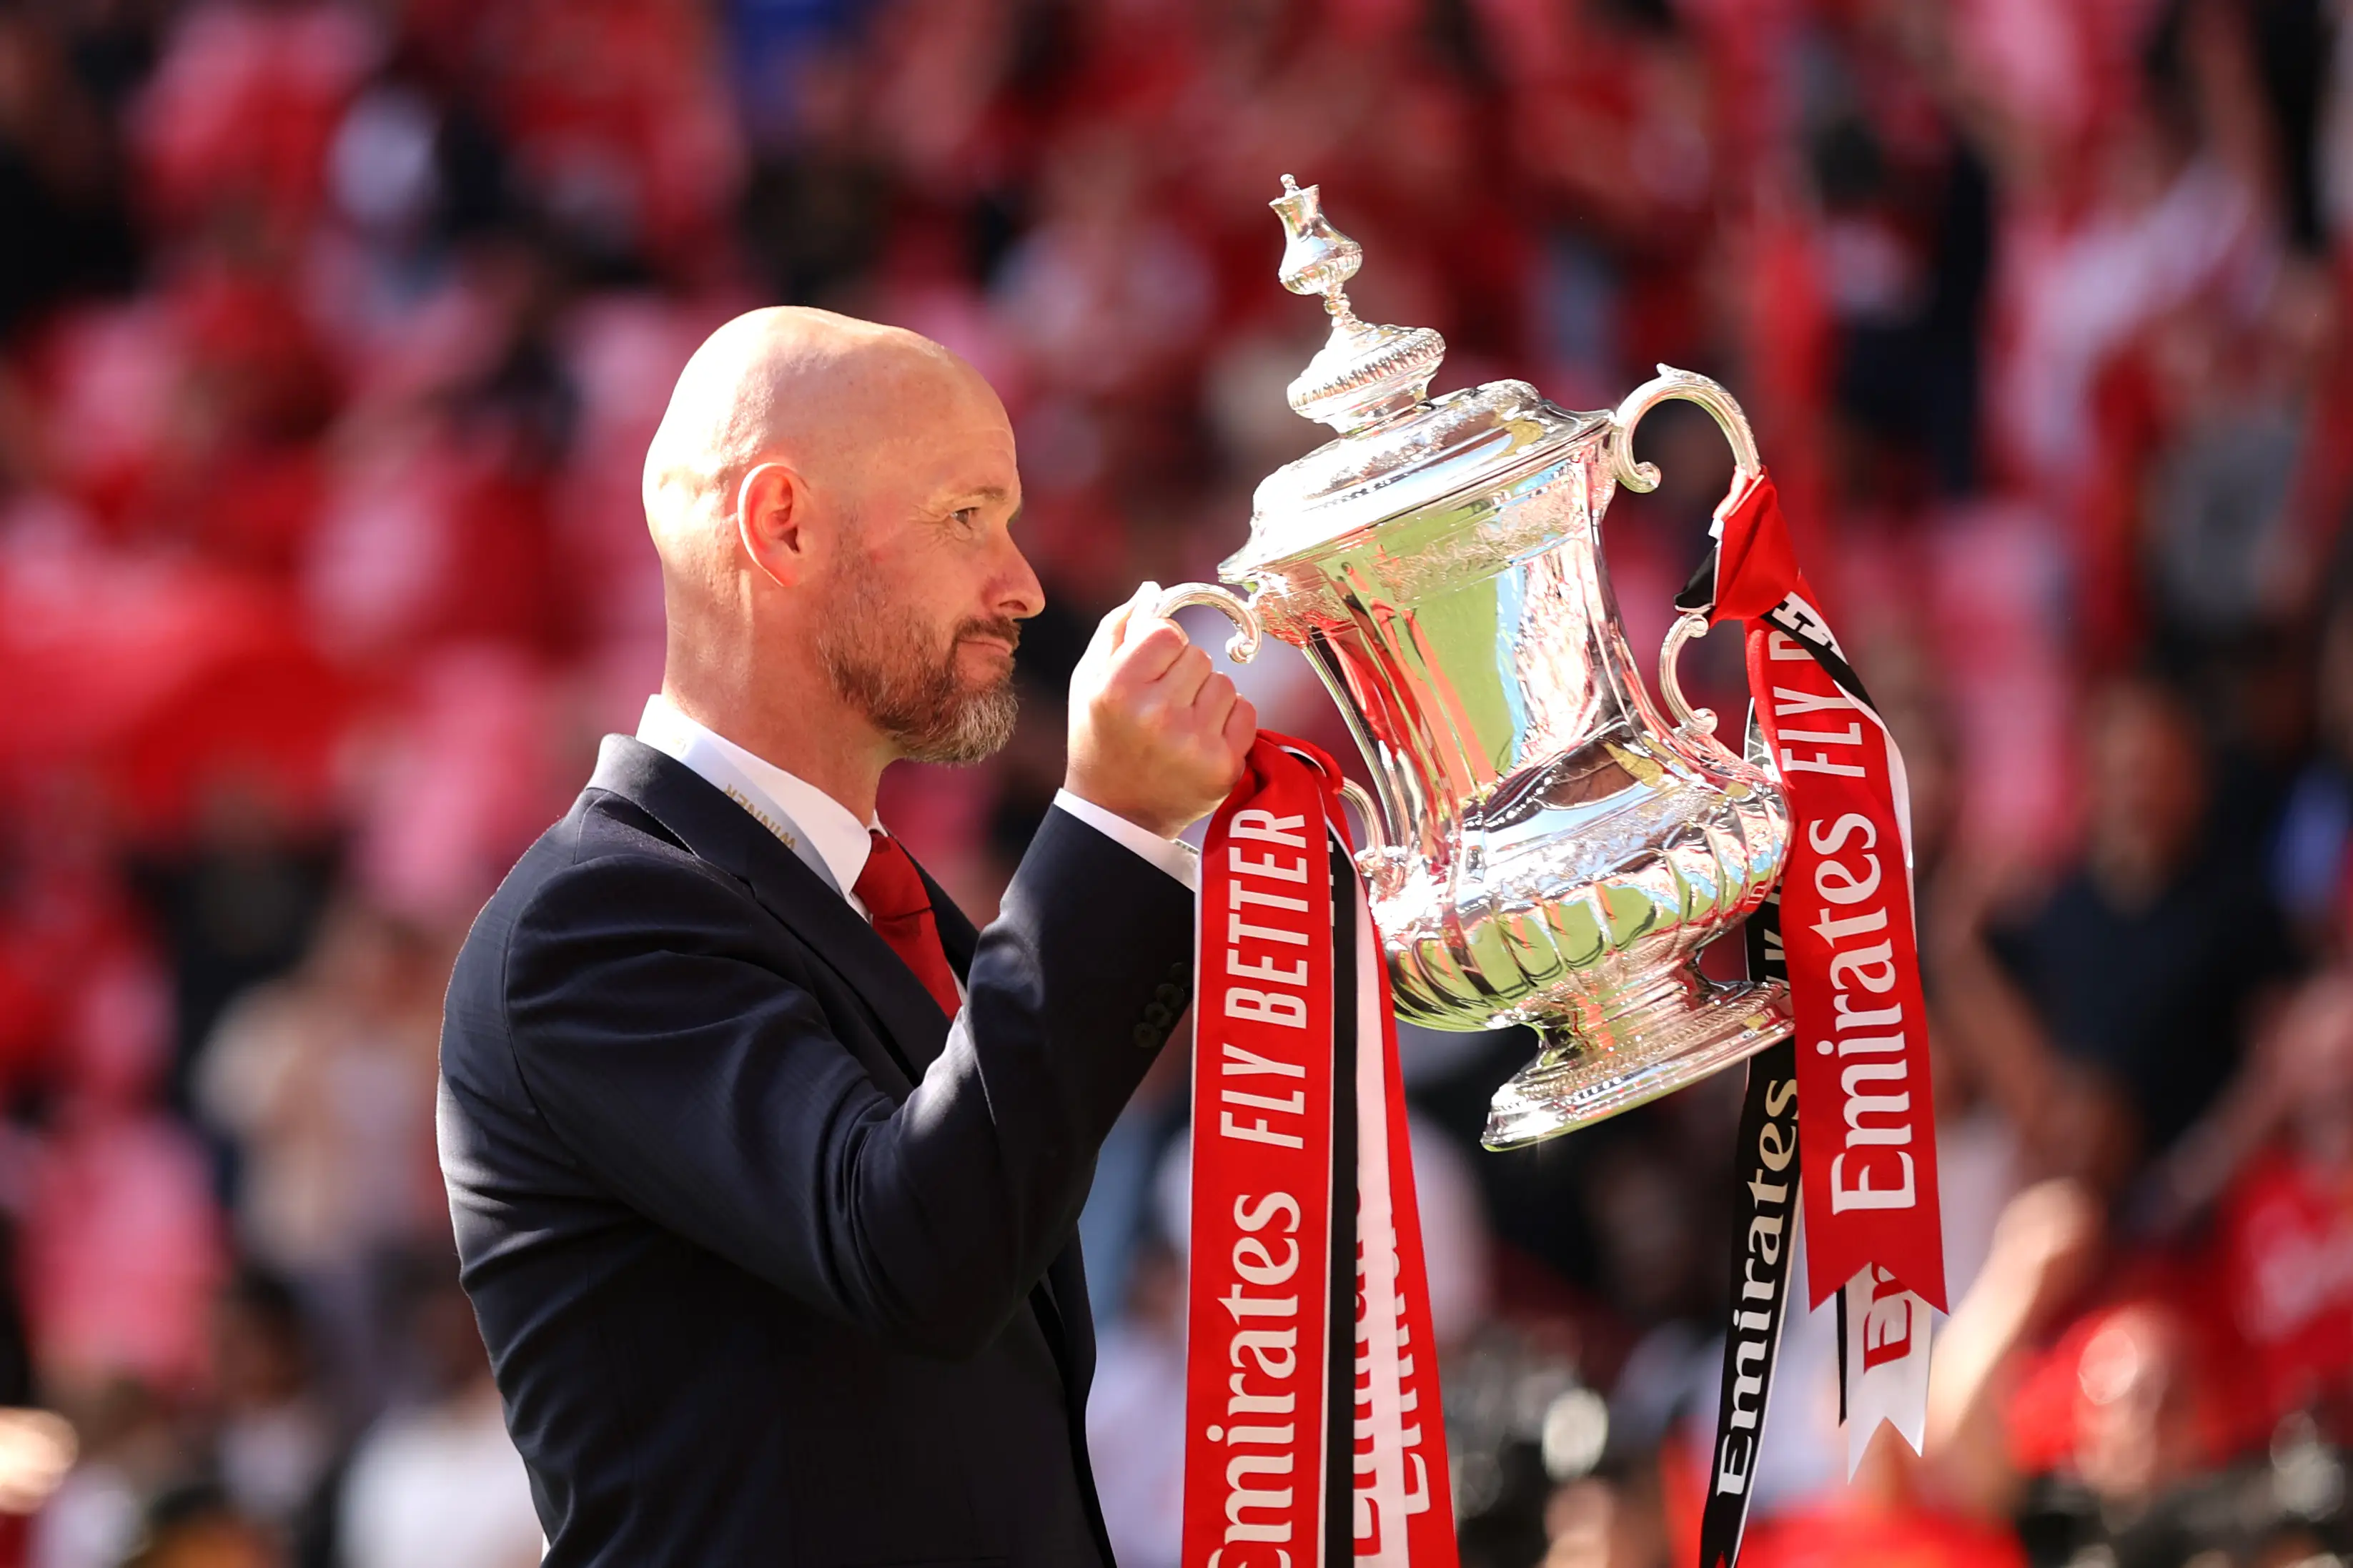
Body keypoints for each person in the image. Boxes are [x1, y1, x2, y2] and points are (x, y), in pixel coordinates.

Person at [437, 305, 1254, 1567]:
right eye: (966, 516)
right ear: (785, 527)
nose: (1025, 582)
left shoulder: (868, 899)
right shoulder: (588, 921)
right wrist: (1114, 830)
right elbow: (921, 1249)